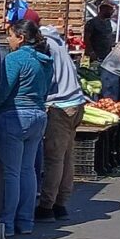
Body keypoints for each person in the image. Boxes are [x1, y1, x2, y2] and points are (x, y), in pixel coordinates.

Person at [0, 20, 52, 235]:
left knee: (11, 172)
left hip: (14, 116)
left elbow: (2, 92)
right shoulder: (45, 60)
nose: (8, 40)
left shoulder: (14, 59)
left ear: (21, 37)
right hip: (38, 115)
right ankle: (25, 221)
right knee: (28, 170)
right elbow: (47, 89)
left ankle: (6, 223)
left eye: (10, 35)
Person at [36, 23, 85, 223]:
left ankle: (47, 206)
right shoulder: (59, 43)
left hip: (60, 105)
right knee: (66, 156)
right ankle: (61, 202)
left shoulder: (45, 46)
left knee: (54, 158)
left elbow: (46, 78)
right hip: (76, 103)